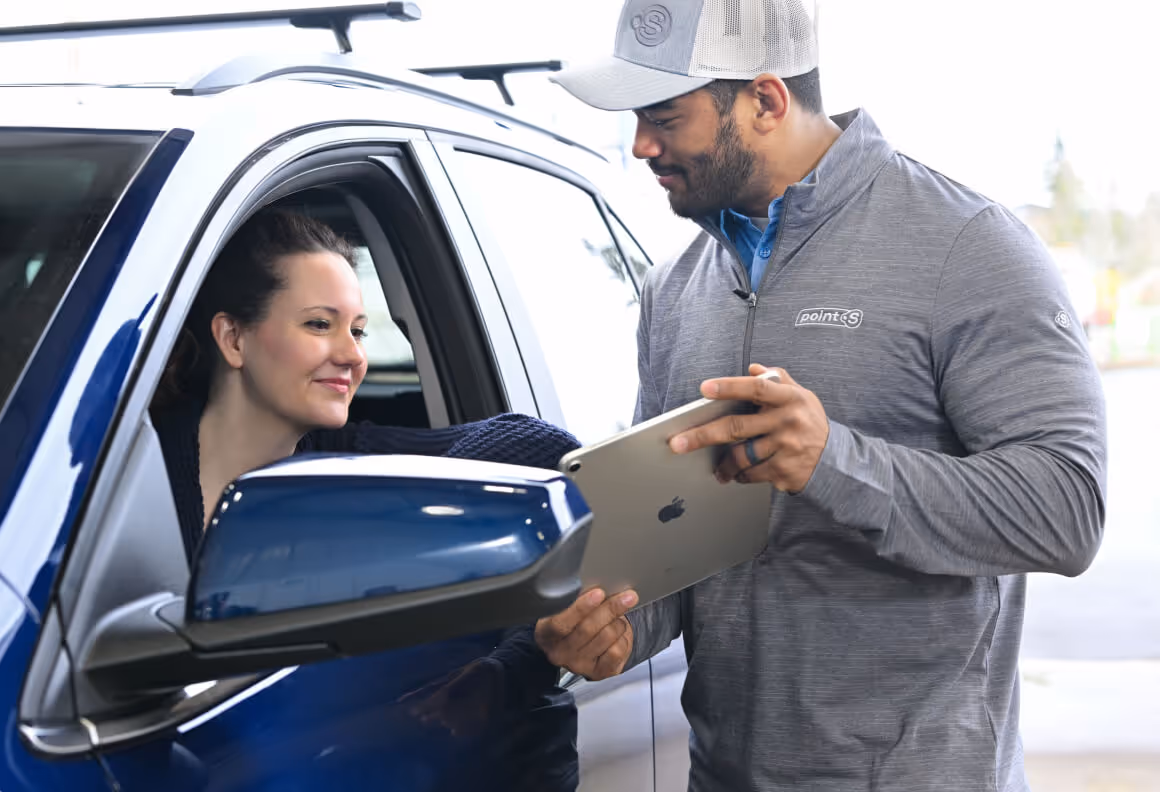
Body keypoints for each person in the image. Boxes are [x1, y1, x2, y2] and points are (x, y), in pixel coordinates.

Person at [534, 1, 1108, 790]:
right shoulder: (676, 289)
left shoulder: (969, 246)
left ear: (765, 101)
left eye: (665, 116)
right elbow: (682, 544)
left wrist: (832, 459)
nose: (641, 145)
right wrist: (619, 629)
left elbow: (1066, 512)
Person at [152, 208, 583, 790]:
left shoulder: (348, 459)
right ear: (234, 338)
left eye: (356, 329)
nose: (355, 355)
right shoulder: (131, 463)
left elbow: (545, 448)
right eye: (319, 325)